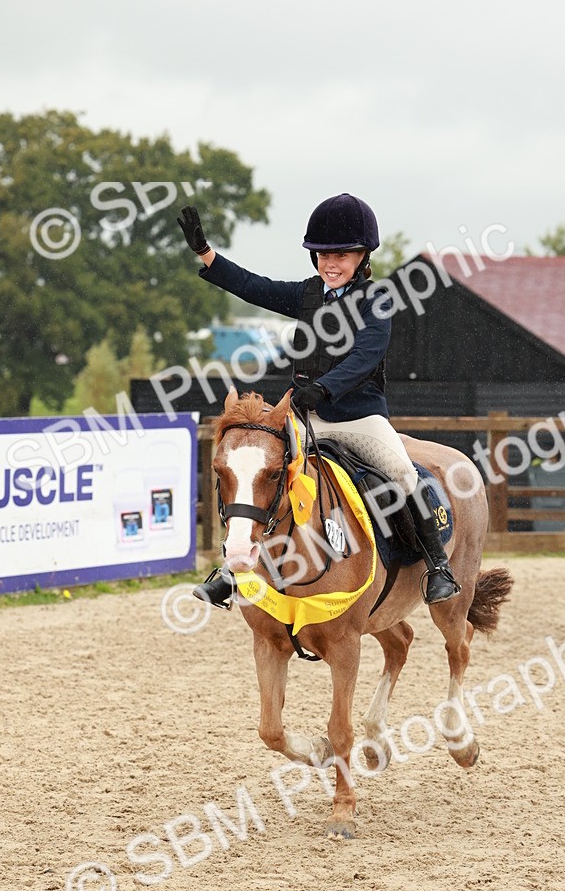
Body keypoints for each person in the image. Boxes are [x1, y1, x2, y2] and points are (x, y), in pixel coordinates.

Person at [177, 193, 460, 607]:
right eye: (323, 254)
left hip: (359, 419)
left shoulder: (376, 300)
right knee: (258, 471)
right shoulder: (308, 295)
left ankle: (437, 567)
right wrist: (207, 254)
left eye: (342, 255)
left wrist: (325, 388)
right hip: (305, 417)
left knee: (402, 473)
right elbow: (255, 287)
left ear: (363, 257)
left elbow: (367, 356)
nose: (331, 263)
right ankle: (231, 568)